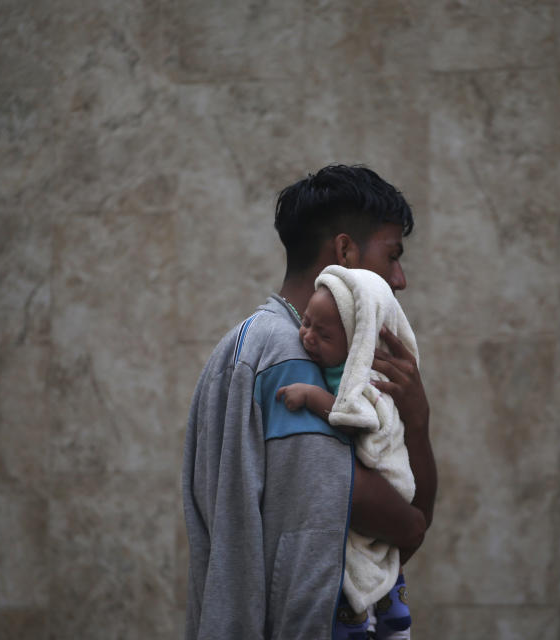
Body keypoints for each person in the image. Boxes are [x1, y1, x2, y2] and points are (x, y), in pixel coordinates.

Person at [182, 165, 437, 640]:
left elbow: (384, 539)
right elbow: (399, 526)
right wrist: (416, 428)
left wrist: (416, 422)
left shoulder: (249, 344)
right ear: (344, 251)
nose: (399, 279)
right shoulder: (289, 356)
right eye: (393, 255)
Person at [276, 265, 420, 640]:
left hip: (387, 482)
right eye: (305, 322)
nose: (306, 336)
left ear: (356, 340)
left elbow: (358, 420)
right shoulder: (327, 365)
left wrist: (311, 397)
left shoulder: (365, 380)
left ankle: (372, 617)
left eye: (322, 334)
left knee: (365, 566)